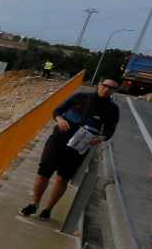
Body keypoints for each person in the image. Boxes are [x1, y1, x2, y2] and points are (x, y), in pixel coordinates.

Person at [21, 78, 122, 220]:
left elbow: (110, 131)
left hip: (79, 146)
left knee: (63, 178)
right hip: (58, 140)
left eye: (112, 88)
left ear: (114, 91)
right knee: (44, 172)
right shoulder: (80, 97)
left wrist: (101, 138)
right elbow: (57, 111)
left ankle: (48, 209)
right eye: (105, 86)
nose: (107, 89)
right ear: (99, 85)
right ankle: (34, 204)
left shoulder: (113, 109)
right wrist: (60, 120)